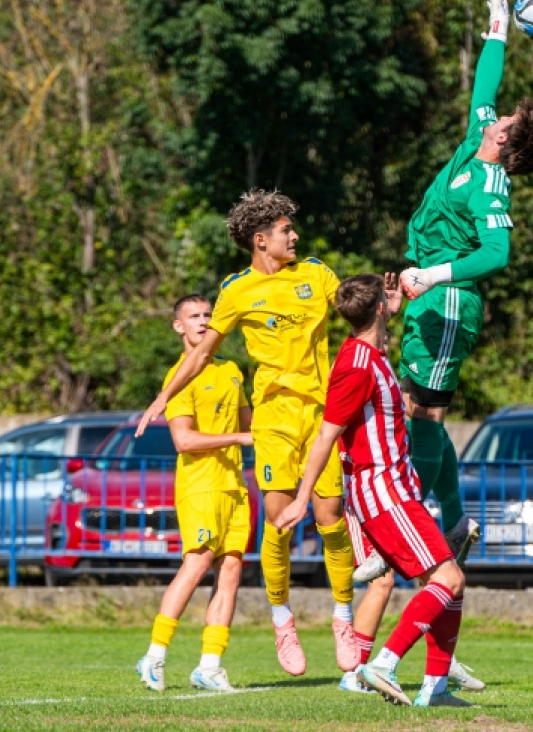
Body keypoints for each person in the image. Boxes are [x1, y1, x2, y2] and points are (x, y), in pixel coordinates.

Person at [135, 190, 358, 678]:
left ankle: (344, 617)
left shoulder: (316, 274)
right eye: (285, 230)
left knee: (331, 518)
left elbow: (353, 309)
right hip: (273, 420)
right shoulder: (236, 290)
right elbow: (197, 355)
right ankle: (283, 620)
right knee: (279, 524)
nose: (294, 236)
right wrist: (160, 397)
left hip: (322, 416)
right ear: (261, 240)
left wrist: (383, 299)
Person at [388, 0, 533, 569]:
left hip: (449, 299)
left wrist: (434, 276)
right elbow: (484, 83)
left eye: (505, 122)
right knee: (418, 411)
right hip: (427, 294)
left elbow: (497, 255)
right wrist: (498, 23)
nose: (496, 118)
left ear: (507, 144)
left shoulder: (493, 186)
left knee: (421, 412)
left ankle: (412, 521)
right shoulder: (474, 143)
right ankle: (454, 519)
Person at [277, 273, 471, 708]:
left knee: (449, 584)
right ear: (378, 309)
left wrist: (390, 312)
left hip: (395, 488)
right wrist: (303, 498)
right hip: (382, 489)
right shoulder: (355, 365)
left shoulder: (368, 350)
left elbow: (376, 344)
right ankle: (381, 664)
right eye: (384, 302)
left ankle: (435, 688)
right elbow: (326, 437)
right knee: (449, 577)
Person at [137, 294, 254, 693]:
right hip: (200, 485)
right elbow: (183, 440)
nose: (203, 322)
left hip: (235, 486)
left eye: (208, 315)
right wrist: (242, 436)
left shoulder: (233, 369)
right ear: (178, 326)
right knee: (198, 562)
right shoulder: (178, 378)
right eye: (194, 316)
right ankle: (154, 655)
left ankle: (210, 665)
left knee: (232, 570)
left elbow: (250, 424)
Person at [339, 510, 485, 695]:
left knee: (444, 577)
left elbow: (445, 487)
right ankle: (357, 671)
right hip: (375, 507)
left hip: (399, 507)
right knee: (383, 582)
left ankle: (440, 672)